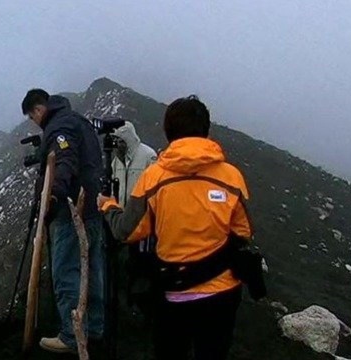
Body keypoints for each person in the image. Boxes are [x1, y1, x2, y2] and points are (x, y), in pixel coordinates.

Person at [98, 95, 253, 360]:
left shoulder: (153, 177)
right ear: (206, 130)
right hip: (223, 293)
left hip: (175, 294)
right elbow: (243, 233)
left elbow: (126, 231)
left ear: (168, 131)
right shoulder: (232, 176)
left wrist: (108, 205)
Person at [21, 89, 105, 354]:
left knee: (67, 271)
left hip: (70, 211)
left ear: (37, 109)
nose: (35, 122)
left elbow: (64, 160)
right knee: (91, 269)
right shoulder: (79, 121)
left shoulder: (59, 127)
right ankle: (94, 327)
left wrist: (54, 197)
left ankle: (71, 336)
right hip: (93, 206)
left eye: (32, 117)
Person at [111, 122, 158, 318]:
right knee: (124, 264)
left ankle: (143, 305)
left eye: (120, 141)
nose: (117, 145)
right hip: (123, 219)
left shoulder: (148, 155)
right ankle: (126, 302)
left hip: (144, 221)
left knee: (143, 264)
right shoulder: (115, 162)